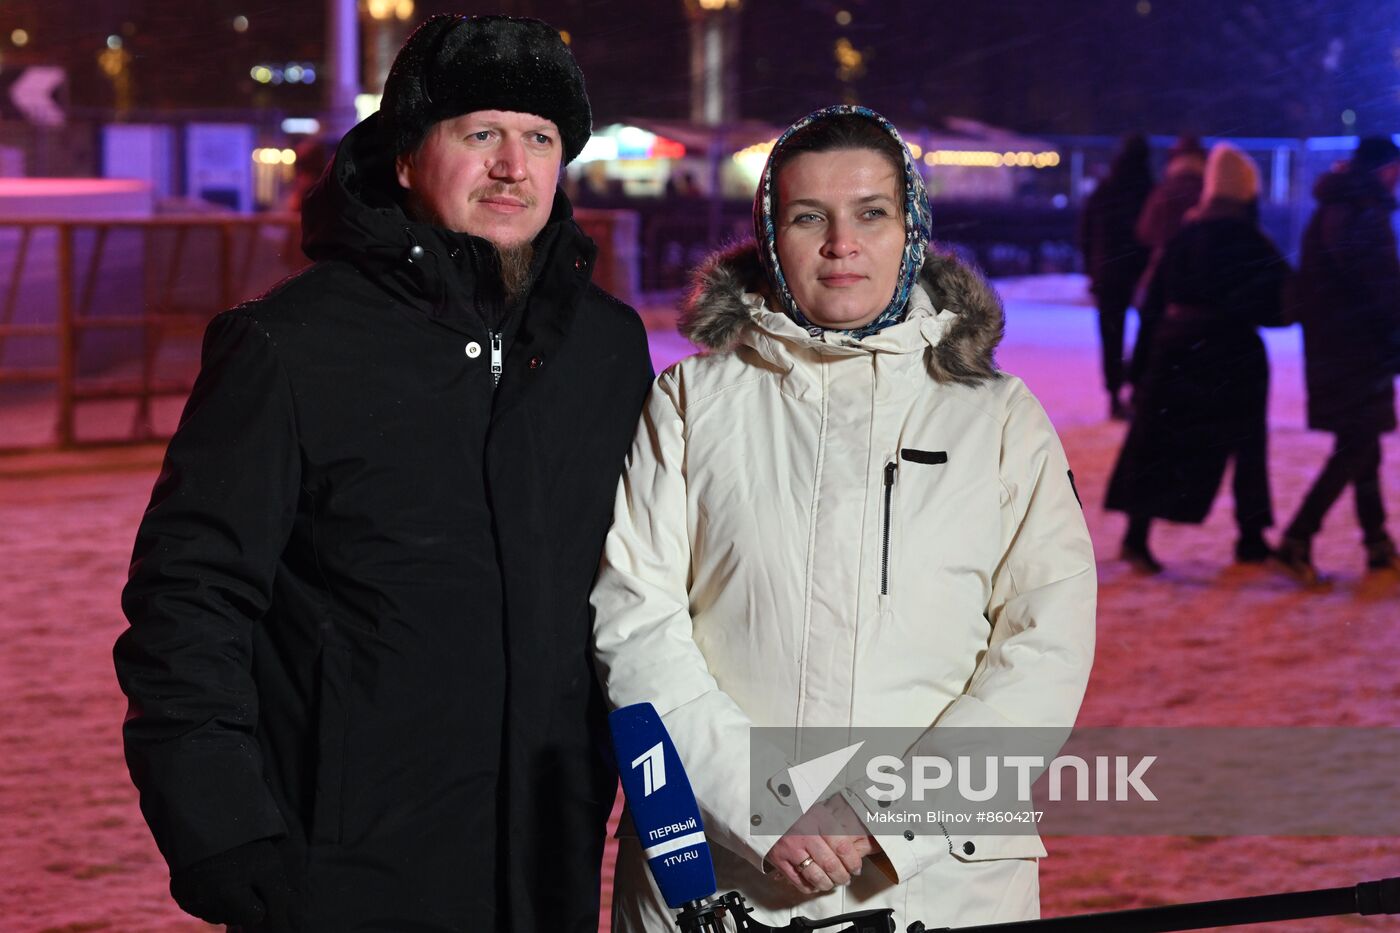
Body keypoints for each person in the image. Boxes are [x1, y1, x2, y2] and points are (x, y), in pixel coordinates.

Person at [114, 14, 653, 932]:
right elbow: (189, 598)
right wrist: (219, 825)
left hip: (548, 843)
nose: (511, 166)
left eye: (539, 139)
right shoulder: (290, 346)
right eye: (479, 133)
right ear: (406, 157)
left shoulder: (604, 346)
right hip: (343, 851)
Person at [591, 106, 1096, 931]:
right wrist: (761, 803)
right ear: (769, 234)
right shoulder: (689, 402)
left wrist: (878, 815)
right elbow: (635, 622)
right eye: (807, 217)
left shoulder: (999, 418)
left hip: (938, 882)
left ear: (911, 229)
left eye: (871, 213)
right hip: (720, 873)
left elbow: (1045, 647)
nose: (841, 244)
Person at [1104, 143, 1289, 574]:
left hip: (1176, 350)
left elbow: (1153, 303)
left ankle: (1137, 535)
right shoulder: (1250, 239)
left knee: (1158, 442)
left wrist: (1141, 363)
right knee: (1246, 445)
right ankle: (1251, 535)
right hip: (1232, 353)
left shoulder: (1184, 236)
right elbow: (1278, 305)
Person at [1275, 136, 1400, 583]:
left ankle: (1377, 542)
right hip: (1358, 351)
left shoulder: (1338, 208)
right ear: (1385, 168)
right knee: (1356, 445)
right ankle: (1298, 537)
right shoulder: (1363, 212)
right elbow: (1380, 286)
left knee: (1362, 446)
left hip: (1338, 348)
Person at [1078, 133, 1153, 419]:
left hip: (1109, 270)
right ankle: (1136, 386)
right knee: (1147, 330)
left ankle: (1114, 392)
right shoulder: (1148, 189)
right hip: (1141, 271)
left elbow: (1086, 231)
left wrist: (1091, 266)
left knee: (1111, 333)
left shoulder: (1105, 190)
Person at [1128, 134, 1206, 390]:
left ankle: (1149, 386)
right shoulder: (1206, 192)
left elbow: (1144, 231)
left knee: (1153, 334)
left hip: (1162, 273)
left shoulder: (1164, 192)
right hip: (1199, 276)